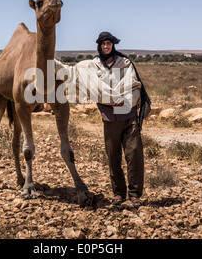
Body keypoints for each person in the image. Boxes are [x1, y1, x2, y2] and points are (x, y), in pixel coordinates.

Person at [55, 31, 151, 207]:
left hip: (129, 117)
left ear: (113, 45)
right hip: (109, 119)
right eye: (103, 44)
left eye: (109, 43)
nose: (106, 46)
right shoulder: (92, 66)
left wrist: (126, 99)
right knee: (113, 157)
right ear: (99, 46)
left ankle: (135, 194)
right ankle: (119, 193)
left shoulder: (125, 63)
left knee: (134, 155)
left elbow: (134, 85)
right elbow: (74, 73)